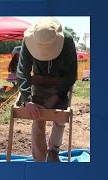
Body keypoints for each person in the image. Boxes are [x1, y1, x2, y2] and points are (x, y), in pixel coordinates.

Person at [16, 17, 77, 162]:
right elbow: (22, 70)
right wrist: (27, 100)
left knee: (60, 117)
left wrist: (57, 94)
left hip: (60, 83)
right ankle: (39, 160)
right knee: (38, 117)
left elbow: (71, 73)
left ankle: (54, 151)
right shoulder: (29, 40)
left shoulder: (67, 40)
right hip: (39, 80)